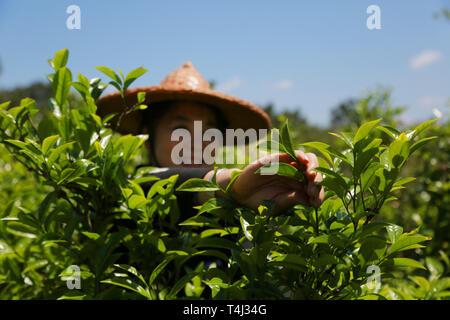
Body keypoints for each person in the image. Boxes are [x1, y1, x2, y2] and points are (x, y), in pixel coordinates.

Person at [97, 61, 324, 218]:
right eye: (179, 129)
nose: (196, 142)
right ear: (147, 138)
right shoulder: (121, 195)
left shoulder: (237, 218)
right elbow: (154, 183)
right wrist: (233, 185)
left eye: (208, 133)